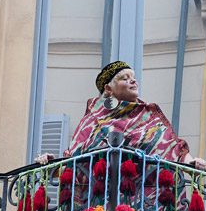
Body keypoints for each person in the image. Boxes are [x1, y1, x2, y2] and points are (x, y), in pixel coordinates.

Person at [64, 59, 192, 162]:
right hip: (100, 191)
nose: (133, 81)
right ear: (108, 89)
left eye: (133, 77)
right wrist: (48, 161)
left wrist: (191, 162)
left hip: (145, 191)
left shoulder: (149, 117)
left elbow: (173, 149)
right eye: (125, 78)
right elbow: (72, 158)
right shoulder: (91, 120)